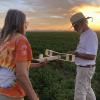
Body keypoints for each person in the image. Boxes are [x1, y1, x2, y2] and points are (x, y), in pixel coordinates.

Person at [0, 9, 46, 100]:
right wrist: (34, 97)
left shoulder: (3, 40)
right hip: (12, 95)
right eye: (25, 22)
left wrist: (37, 65)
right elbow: (21, 74)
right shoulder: (20, 40)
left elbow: (12, 66)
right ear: (20, 23)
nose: (26, 25)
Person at [70, 12, 98, 100]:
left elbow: (92, 56)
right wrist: (76, 52)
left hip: (85, 69)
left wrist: (77, 54)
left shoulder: (90, 35)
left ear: (82, 23)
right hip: (84, 68)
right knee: (87, 89)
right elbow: (84, 51)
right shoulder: (84, 34)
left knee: (80, 92)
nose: (74, 29)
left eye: (75, 26)